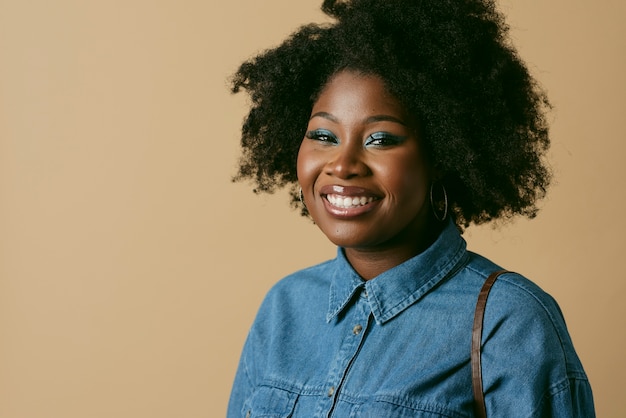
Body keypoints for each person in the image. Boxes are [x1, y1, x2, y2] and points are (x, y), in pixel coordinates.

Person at [227, 0, 595, 416]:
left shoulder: (507, 323)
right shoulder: (284, 308)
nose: (343, 165)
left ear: (443, 153)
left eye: (381, 139)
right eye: (324, 136)